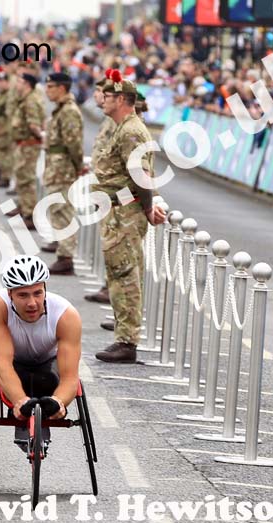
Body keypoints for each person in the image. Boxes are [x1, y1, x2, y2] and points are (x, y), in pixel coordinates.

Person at [93, 70, 166, 363]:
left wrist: (148, 208)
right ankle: (123, 334)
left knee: (126, 274)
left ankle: (127, 341)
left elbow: (141, 174)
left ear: (121, 99)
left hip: (127, 211)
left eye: (107, 96)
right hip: (117, 209)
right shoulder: (123, 127)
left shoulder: (131, 130)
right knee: (118, 272)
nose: (102, 101)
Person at [0, 255, 82, 451]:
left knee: (47, 381)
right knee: (16, 375)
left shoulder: (66, 315)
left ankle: (41, 417)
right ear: (10, 293)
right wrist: (19, 402)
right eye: (23, 295)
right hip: (15, 364)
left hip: (48, 367)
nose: (32, 303)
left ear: (45, 288)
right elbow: (2, 364)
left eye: (37, 293)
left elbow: (70, 378)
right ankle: (24, 421)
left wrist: (59, 402)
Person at [39, 72, 84, 275]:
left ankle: (66, 257)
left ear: (62, 88)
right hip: (56, 166)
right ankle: (62, 249)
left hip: (63, 167)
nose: (48, 91)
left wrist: (77, 165)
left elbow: (73, 143)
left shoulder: (69, 111)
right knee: (57, 208)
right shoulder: (61, 110)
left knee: (63, 211)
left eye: (51, 87)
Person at [85, 71, 117, 306]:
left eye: (103, 93)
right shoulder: (109, 120)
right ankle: (109, 286)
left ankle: (113, 290)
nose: (99, 97)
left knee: (118, 249)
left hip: (118, 195)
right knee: (109, 244)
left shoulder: (124, 125)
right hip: (107, 190)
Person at [7, 73, 45, 230]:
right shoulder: (25, 99)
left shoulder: (30, 101)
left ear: (28, 84)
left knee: (27, 179)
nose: (17, 84)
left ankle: (30, 214)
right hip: (23, 143)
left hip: (29, 144)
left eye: (20, 82)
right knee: (21, 176)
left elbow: (34, 125)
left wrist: (41, 137)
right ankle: (24, 208)